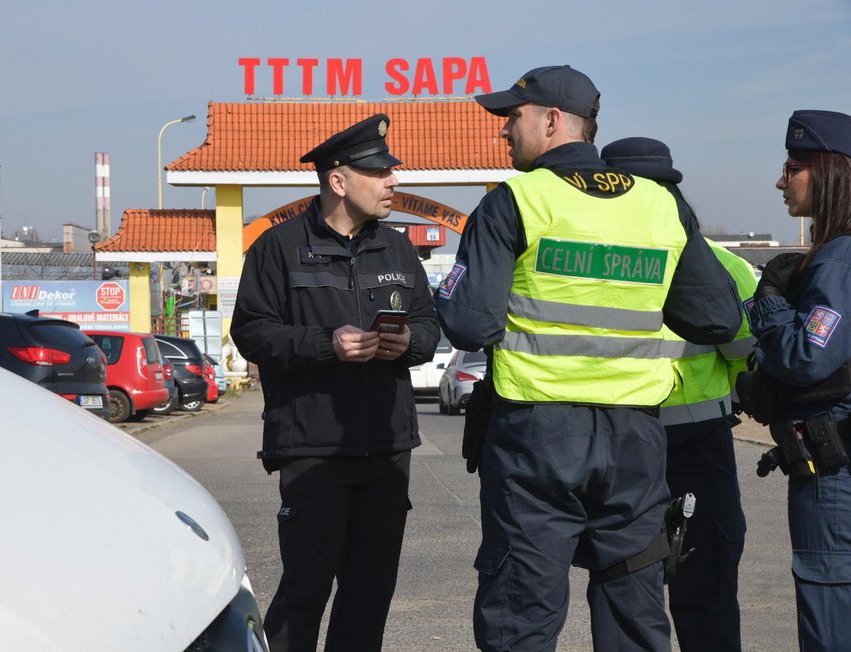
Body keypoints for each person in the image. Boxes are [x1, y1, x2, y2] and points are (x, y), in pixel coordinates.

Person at [435, 65, 742, 651]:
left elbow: (470, 321)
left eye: (512, 118)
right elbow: (718, 318)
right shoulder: (659, 206)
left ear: (551, 121)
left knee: (522, 609)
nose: (504, 131)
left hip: (538, 434)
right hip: (635, 440)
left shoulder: (514, 201)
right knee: (633, 600)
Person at [230, 113, 440, 652]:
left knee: (370, 593)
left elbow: (427, 326)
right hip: (313, 449)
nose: (394, 180)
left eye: (392, 170)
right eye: (379, 172)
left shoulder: (397, 248)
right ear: (338, 181)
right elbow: (252, 333)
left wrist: (407, 343)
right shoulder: (276, 249)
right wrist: (328, 344)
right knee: (305, 588)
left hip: (387, 447)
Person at [602, 137, 756, 652]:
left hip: (623, 439)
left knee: (630, 586)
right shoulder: (722, 266)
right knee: (702, 588)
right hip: (692, 443)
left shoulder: (591, 263)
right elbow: (749, 356)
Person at [741, 110, 851, 651]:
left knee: (829, 612)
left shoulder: (840, 257)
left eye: (793, 167)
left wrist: (771, 308)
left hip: (835, 477)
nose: (781, 181)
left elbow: (808, 356)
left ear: (830, 174)